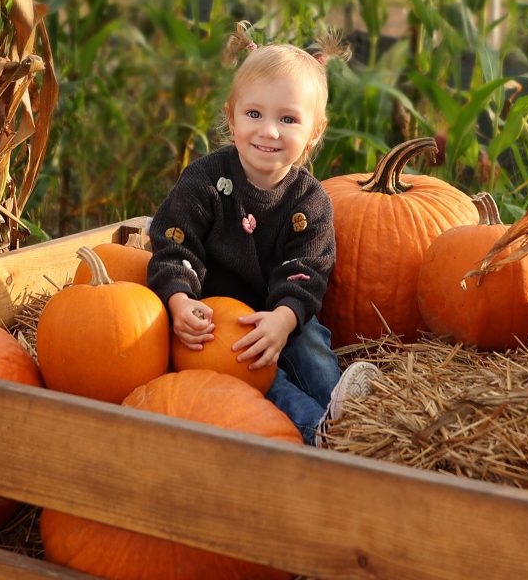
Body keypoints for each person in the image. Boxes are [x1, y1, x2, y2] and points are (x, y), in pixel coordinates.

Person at [147, 22, 379, 445]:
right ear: (231, 117)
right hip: (220, 320)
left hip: (282, 312)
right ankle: (318, 431)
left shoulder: (310, 200)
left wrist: (283, 319)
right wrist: (179, 301)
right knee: (257, 378)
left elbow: (309, 269)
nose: (269, 131)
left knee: (310, 343)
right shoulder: (204, 181)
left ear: (315, 132)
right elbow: (173, 242)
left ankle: (350, 408)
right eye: (254, 114)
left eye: (288, 119)